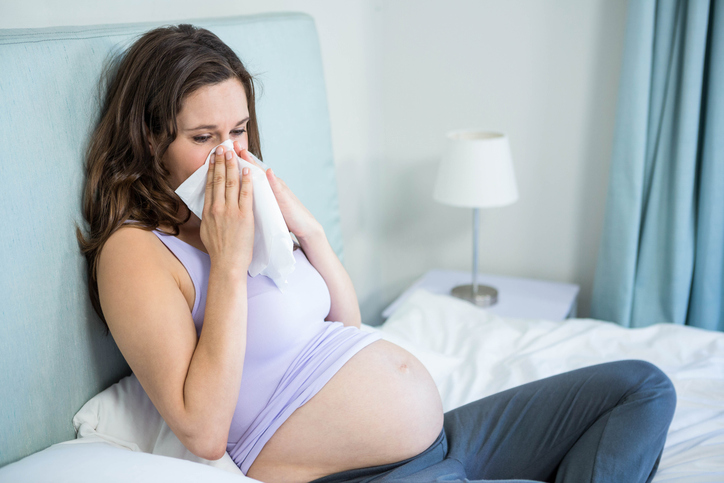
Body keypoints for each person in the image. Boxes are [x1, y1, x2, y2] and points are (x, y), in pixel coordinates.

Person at [78, 24, 676, 483]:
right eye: (204, 138)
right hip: (371, 473)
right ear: (149, 139)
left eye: (239, 130)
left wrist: (309, 234)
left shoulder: (246, 212)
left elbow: (345, 329)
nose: (230, 155)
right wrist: (228, 264)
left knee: (642, 387)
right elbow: (204, 431)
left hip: (443, 436)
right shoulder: (136, 253)